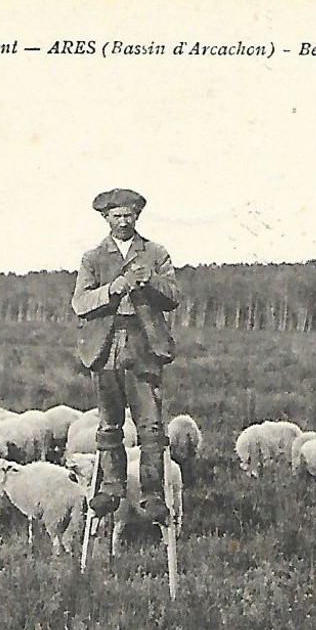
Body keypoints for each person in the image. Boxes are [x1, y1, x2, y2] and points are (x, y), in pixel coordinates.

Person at [70, 188, 182, 523]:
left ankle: (152, 494)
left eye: (129, 216)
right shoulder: (93, 258)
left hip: (144, 344)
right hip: (105, 347)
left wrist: (151, 282)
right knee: (109, 423)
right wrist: (115, 287)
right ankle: (111, 487)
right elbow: (81, 304)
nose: (123, 222)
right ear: (106, 218)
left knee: (150, 426)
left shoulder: (156, 253)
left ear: (137, 217)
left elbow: (174, 296)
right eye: (116, 216)